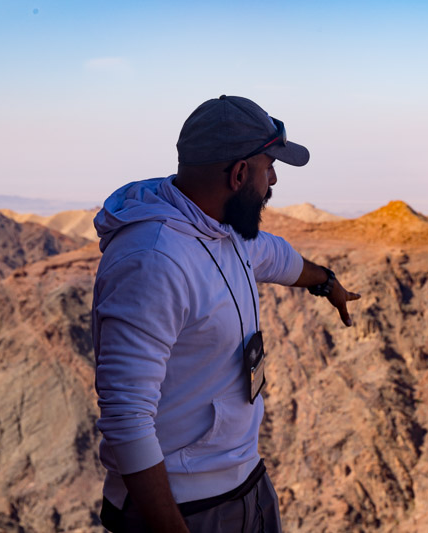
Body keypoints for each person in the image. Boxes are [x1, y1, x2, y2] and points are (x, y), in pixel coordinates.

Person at [92, 95, 360, 532]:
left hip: (244, 483)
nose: (273, 181)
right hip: (185, 507)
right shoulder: (153, 261)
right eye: (268, 166)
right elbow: (127, 420)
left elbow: (275, 257)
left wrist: (326, 283)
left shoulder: (217, 226)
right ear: (239, 174)